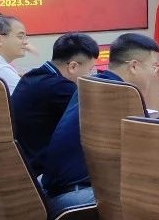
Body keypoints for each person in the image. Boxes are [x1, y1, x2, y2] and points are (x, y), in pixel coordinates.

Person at [39, 33, 159, 198]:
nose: (155, 74)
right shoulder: (119, 94)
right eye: (154, 66)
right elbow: (145, 150)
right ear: (134, 66)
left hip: (56, 186)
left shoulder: (94, 82)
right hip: (75, 193)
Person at [10, 32, 99, 176]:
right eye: (90, 70)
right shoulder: (61, 88)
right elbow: (96, 122)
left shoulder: (33, 75)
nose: (91, 75)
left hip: (23, 164)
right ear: (73, 67)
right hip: (40, 174)